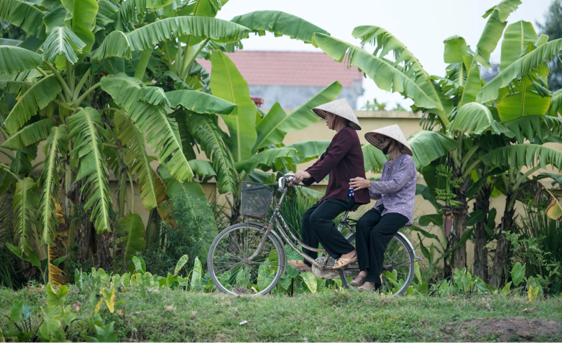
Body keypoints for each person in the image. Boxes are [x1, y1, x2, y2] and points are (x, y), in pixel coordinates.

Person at [288, 99, 370, 272]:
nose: (325, 118)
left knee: (318, 218)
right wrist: (303, 177)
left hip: (348, 192)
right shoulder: (340, 136)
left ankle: (347, 252)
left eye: (327, 115)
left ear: (337, 116)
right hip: (337, 192)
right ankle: (310, 261)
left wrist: (308, 174)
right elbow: (324, 159)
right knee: (308, 218)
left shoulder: (348, 134)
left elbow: (331, 160)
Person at [348, 124, 416, 291]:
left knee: (377, 233)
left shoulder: (406, 161)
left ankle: (372, 281)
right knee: (362, 224)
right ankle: (363, 270)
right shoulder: (387, 164)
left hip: (399, 209)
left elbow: (395, 185)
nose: (380, 144)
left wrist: (368, 183)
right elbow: (379, 193)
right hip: (383, 207)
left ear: (394, 142)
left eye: (383, 140)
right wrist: (360, 190)